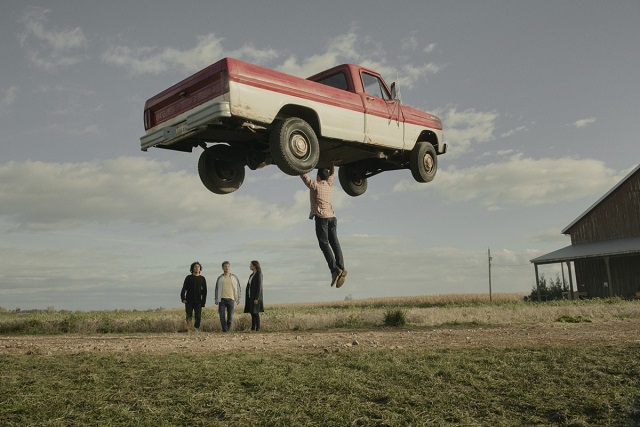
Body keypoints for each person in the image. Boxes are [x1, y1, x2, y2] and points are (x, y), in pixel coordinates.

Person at [300, 161, 347, 288]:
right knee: (335, 242)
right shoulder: (329, 184)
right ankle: (341, 267)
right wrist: (331, 164)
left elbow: (304, 175)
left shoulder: (315, 185)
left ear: (318, 177)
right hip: (332, 217)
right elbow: (332, 175)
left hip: (322, 218)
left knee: (324, 243)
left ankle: (334, 270)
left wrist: (297, 164)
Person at [214, 261, 241, 332]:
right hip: (222, 299)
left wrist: (238, 298)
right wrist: (216, 298)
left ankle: (227, 330)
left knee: (230, 317)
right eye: (225, 266)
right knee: (222, 316)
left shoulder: (234, 277)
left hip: (231, 299)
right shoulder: (220, 278)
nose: (227, 268)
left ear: (230, 267)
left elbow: (238, 287)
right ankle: (225, 330)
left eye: (228, 266)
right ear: (223, 268)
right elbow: (216, 288)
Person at [180, 261, 207, 332]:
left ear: (200, 269)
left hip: (198, 301)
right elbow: (184, 288)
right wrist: (183, 298)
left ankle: (195, 329)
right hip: (189, 300)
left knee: (198, 317)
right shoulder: (188, 277)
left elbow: (204, 291)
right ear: (192, 268)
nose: (197, 268)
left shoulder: (202, 278)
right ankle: (189, 328)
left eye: (198, 267)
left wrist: (203, 302)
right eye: (195, 267)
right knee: (189, 316)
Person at [243, 260, 264, 331]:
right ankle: (253, 327)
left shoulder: (259, 274)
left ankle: (258, 328)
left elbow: (259, 287)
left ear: (254, 266)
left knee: (255, 312)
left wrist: (257, 298)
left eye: (251, 265)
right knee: (252, 312)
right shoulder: (252, 275)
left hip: (255, 297)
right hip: (250, 296)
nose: (249, 266)